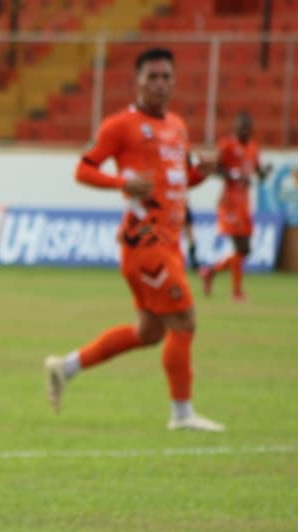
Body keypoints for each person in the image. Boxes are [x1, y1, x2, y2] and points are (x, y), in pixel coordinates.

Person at [44, 47, 224, 432]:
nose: (160, 84)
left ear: (174, 82)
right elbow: (83, 169)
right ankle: (182, 414)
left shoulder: (176, 125)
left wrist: (203, 173)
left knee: (150, 332)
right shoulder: (121, 126)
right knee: (185, 320)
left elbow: (177, 183)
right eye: (152, 77)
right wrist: (121, 182)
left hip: (169, 242)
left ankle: (66, 367)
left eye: (166, 77)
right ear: (138, 81)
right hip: (146, 243)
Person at [200, 111, 270, 301]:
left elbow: (258, 173)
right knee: (241, 247)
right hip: (229, 203)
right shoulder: (227, 146)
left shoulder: (253, 148)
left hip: (244, 204)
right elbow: (214, 168)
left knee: (244, 250)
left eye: (246, 129)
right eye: (240, 128)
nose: (243, 132)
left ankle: (210, 271)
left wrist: (265, 172)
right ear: (235, 128)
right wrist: (231, 174)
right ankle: (236, 291)